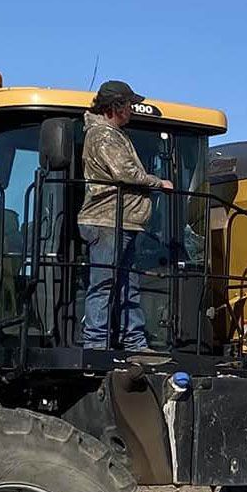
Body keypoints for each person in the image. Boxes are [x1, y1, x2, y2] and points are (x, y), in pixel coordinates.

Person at [77, 80, 173, 350]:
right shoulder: (104, 136)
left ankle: (133, 339)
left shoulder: (112, 134)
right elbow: (124, 173)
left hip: (123, 222)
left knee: (126, 284)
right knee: (105, 283)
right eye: (129, 104)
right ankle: (96, 342)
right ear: (115, 107)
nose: (132, 109)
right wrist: (158, 182)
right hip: (107, 220)